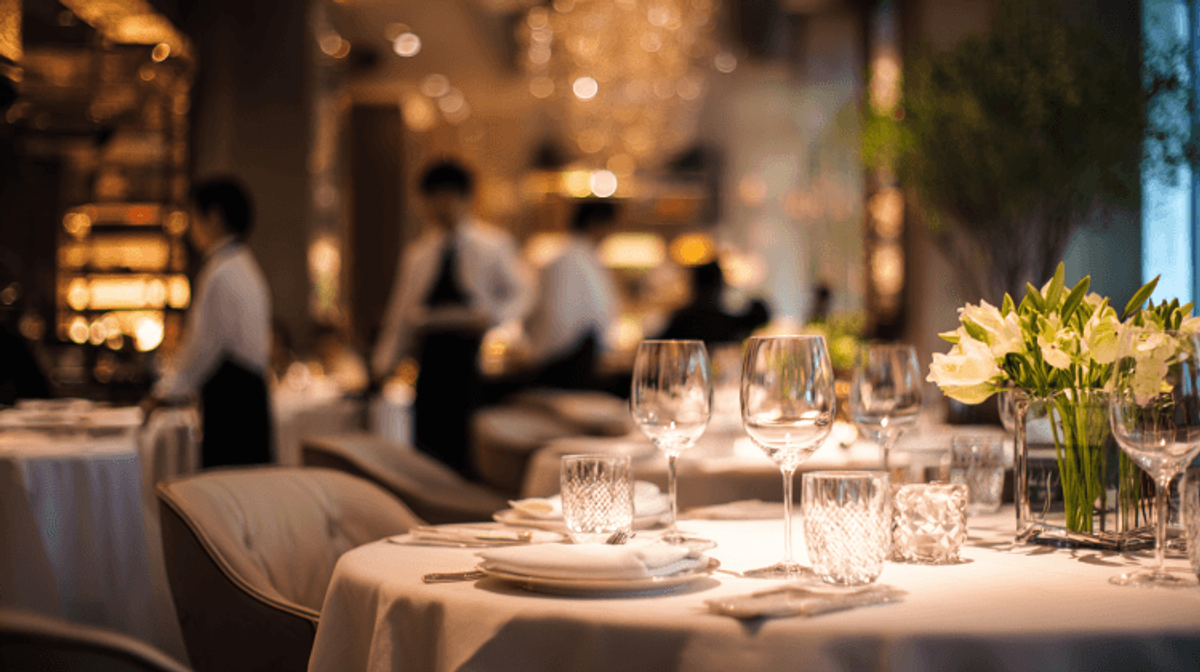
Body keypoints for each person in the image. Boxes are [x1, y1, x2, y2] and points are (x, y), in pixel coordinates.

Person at [371, 160, 533, 478]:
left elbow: (524, 292)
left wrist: (493, 318)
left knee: (466, 437)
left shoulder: (492, 244)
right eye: (434, 198)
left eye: (449, 197)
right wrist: (383, 365)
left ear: (465, 198)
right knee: (428, 437)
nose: (441, 206)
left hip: (471, 351)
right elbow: (401, 314)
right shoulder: (419, 253)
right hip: (431, 352)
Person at [143, 178, 274, 468]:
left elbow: (204, 344)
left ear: (213, 216)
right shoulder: (245, 265)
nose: (191, 229)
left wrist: (166, 392)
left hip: (232, 400)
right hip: (249, 395)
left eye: (192, 216)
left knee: (226, 495)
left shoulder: (221, 271)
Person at [524, 200, 619, 391]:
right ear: (597, 224)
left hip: (569, 356)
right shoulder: (571, 260)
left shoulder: (577, 258)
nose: (610, 234)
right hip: (566, 360)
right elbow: (558, 315)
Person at [658, 259, 770, 347]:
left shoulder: (682, 319)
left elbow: (655, 344)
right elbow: (761, 314)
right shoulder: (727, 322)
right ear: (720, 285)